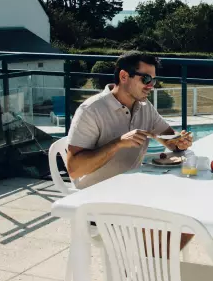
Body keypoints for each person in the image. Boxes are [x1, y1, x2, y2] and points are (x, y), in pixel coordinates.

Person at [66, 51, 192, 189]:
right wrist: (118, 143)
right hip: (95, 193)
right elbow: (74, 170)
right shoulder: (91, 110)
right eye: (146, 79)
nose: (151, 85)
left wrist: (180, 142)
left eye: (153, 80)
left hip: (132, 186)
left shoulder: (145, 107)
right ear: (124, 76)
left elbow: (169, 138)